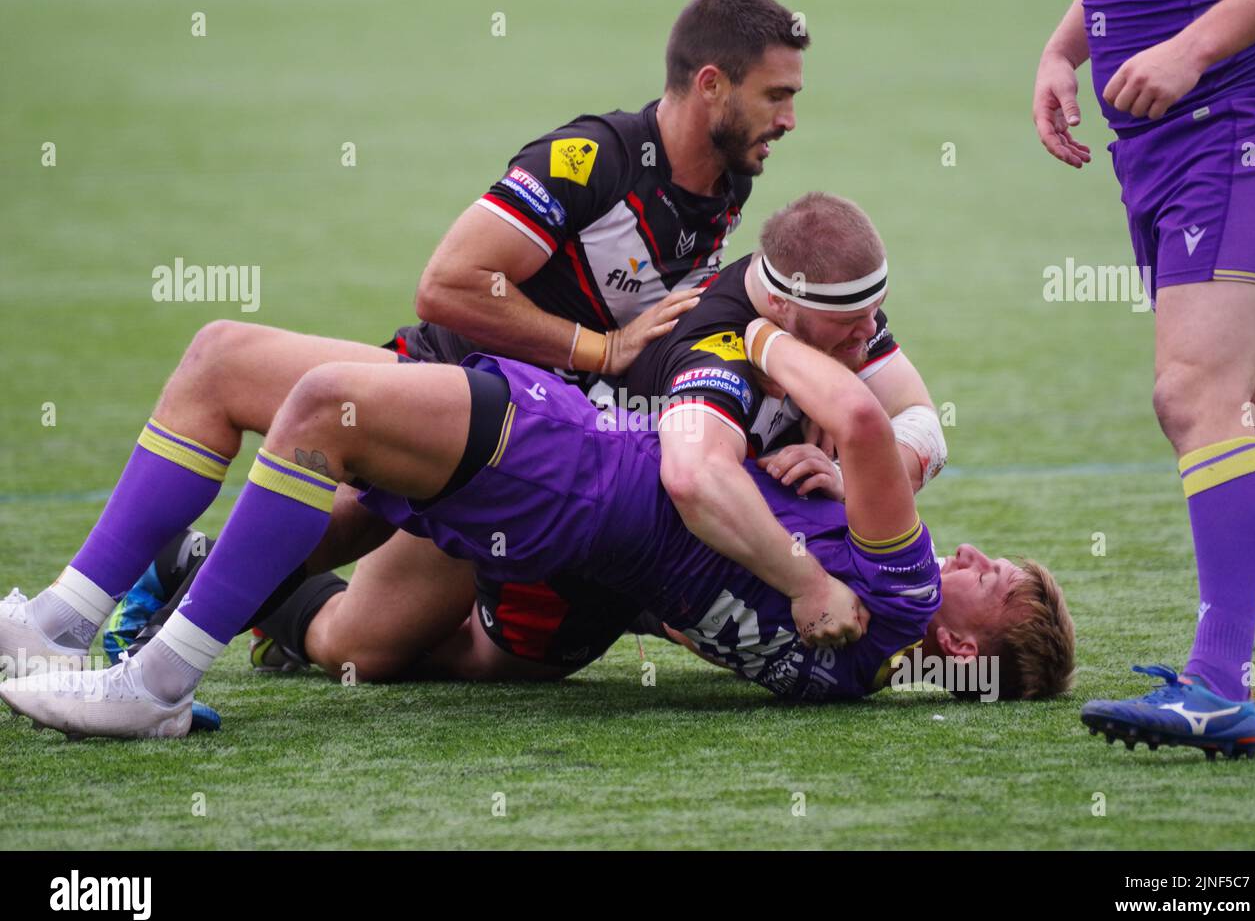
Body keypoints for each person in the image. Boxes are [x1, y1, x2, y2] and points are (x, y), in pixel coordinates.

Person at [1, 0, 833, 692]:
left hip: (541, 458)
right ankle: (66, 624)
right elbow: (448, 283)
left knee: (356, 646)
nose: (791, 118)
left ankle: (193, 574)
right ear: (713, 85)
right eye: (777, 96)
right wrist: (598, 352)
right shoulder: (591, 159)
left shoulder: (725, 184)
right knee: (224, 362)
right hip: (461, 390)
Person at [0, 310, 1074, 737]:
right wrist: (811, 510)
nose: (973, 554)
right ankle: (60, 620)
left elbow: (859, 421)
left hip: (579, 466)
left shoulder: (901, 599)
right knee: (224, 357)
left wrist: (757, 331)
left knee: (323, 413)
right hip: (577, 495)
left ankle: (156, 685)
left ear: (964, 642)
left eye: (1000, 577)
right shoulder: (846, 670)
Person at [1032, 0, 1255, 758]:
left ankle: (1219, 685)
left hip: (1234, 125)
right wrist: (1063, 48)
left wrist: (1192, 49)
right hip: (1168, 145)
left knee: (1197, 393)